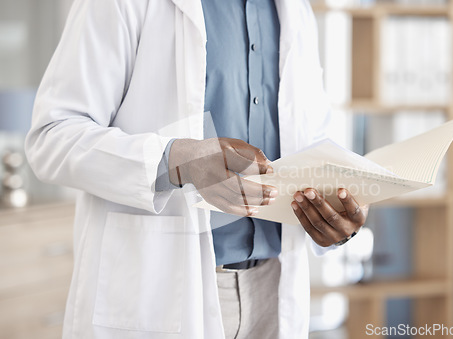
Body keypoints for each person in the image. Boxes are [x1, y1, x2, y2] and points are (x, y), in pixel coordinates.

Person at [25, 0, 367, 338]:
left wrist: (334, 212)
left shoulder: (295, 9)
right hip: (164, 286)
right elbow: (52, 137)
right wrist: (177, 160)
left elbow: (310, 135)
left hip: (275, 288)